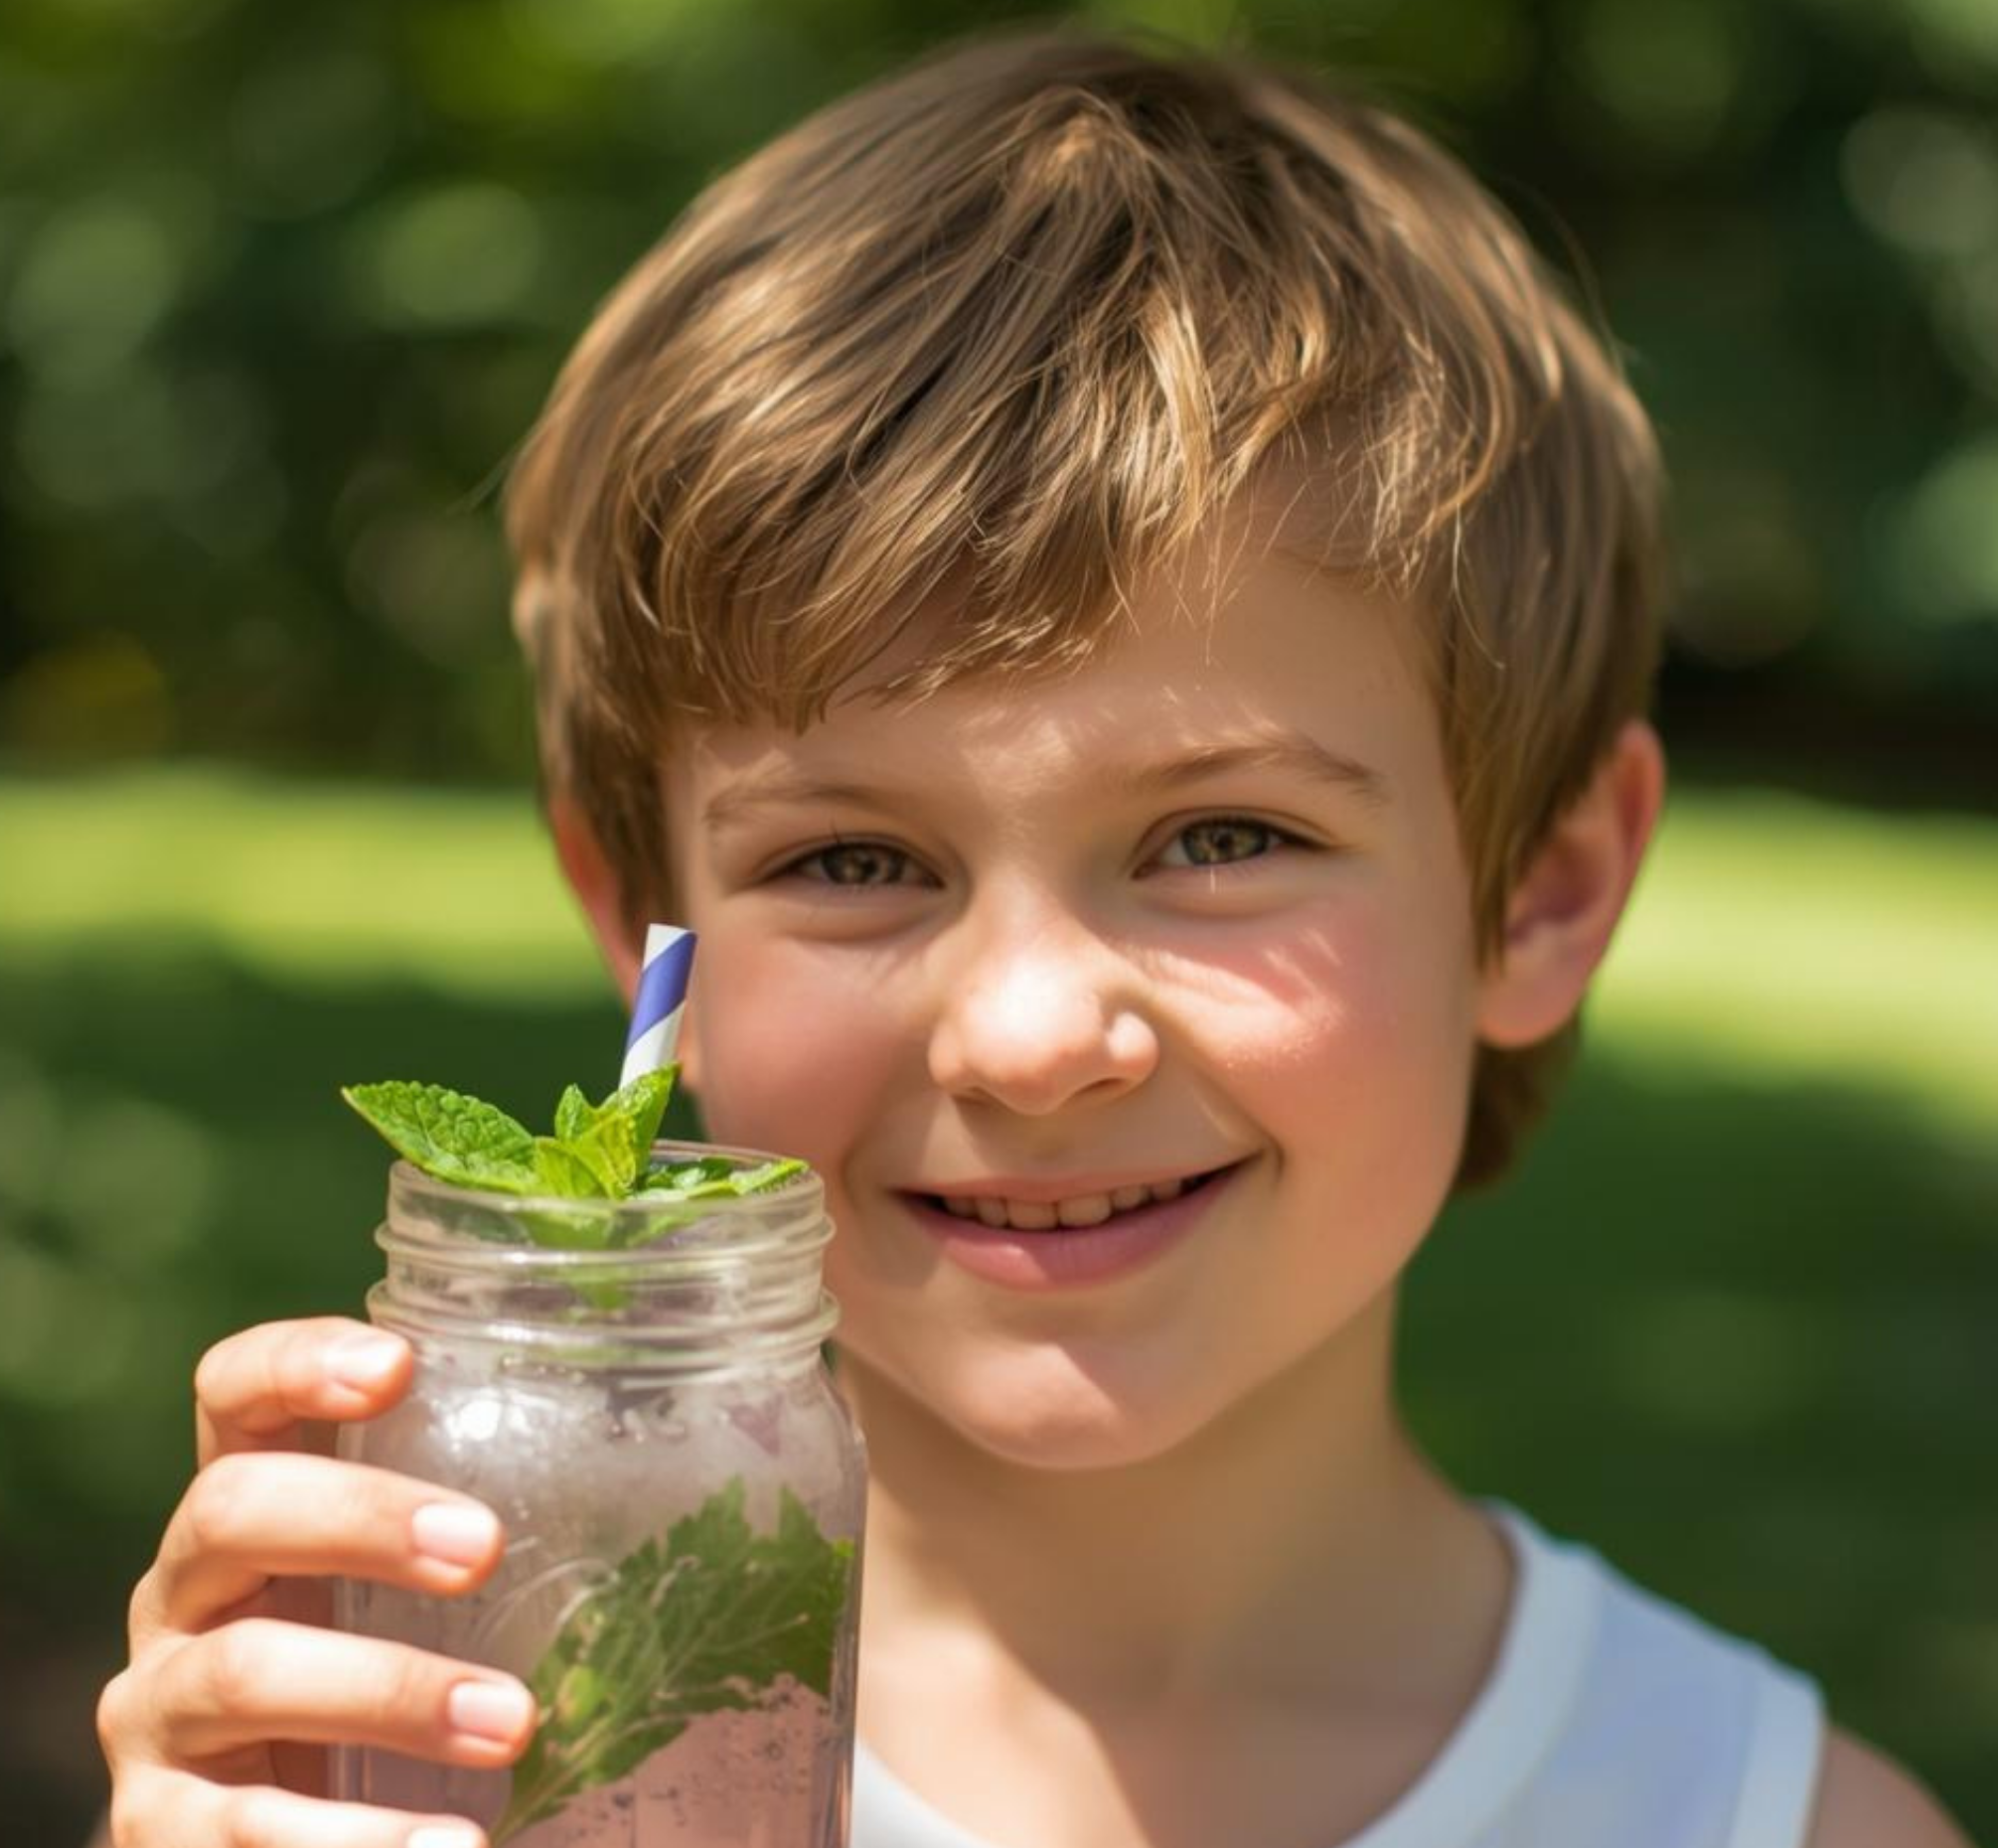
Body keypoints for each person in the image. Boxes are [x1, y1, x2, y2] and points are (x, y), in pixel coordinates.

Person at [93, 26, 1972, 1848]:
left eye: (1222, 839)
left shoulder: (1758, 1820)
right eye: (851, 860)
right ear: (641, 927)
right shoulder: (460, 1749)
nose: (1025, 1033)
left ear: (1541, 891)